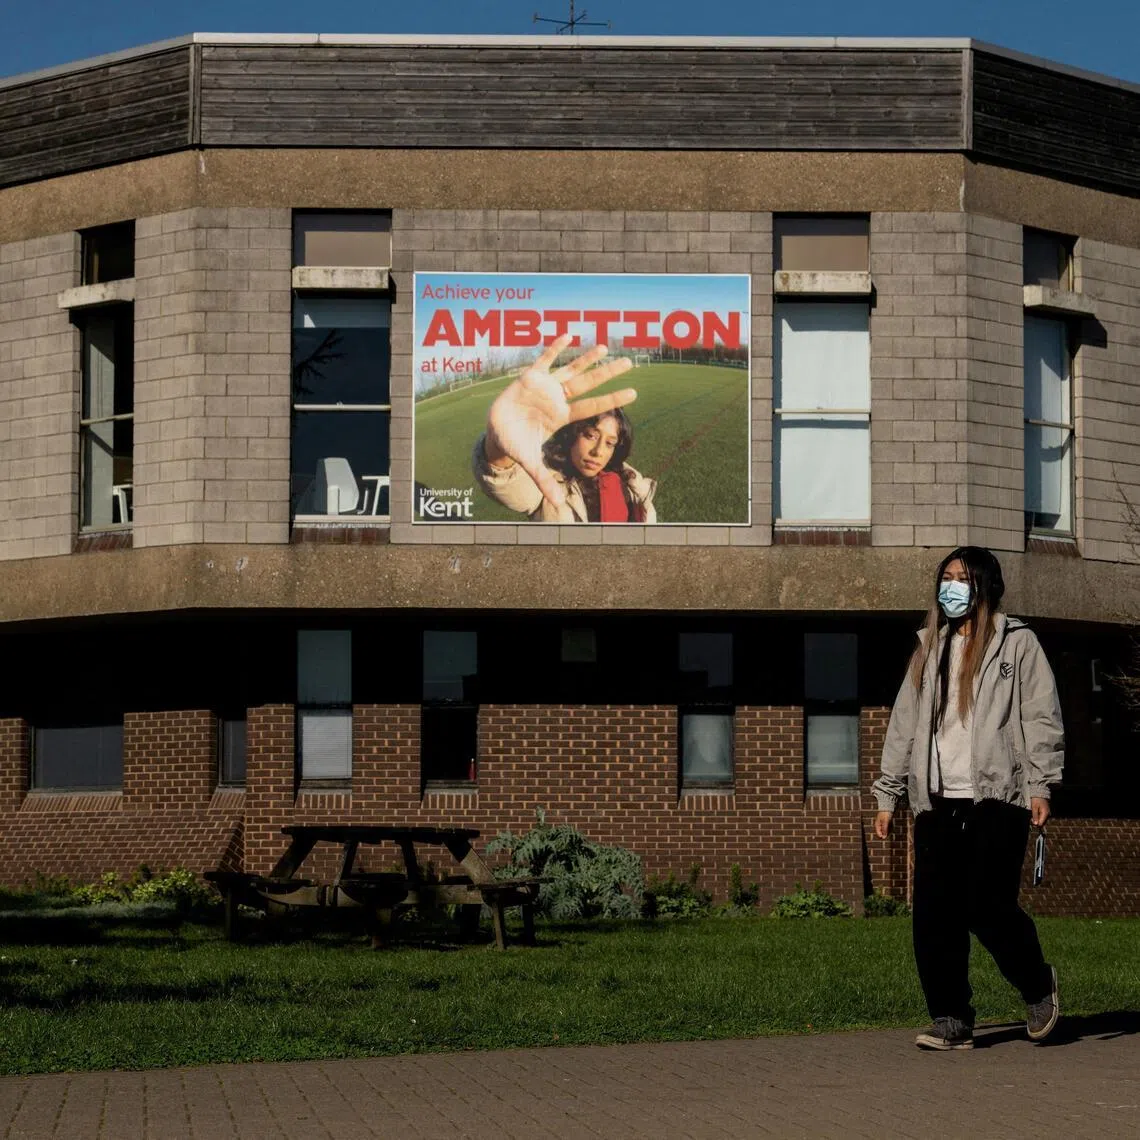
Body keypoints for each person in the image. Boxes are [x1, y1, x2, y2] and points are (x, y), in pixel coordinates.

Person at [872, 546, 1064, 1050]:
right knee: (933, 914)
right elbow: (904, 724)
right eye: (946, 577)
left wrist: (1041, 783)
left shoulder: (1018, 643)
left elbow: (1041, 717)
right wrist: (888, 794)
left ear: (985, 586)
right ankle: (951, 1018)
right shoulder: (929, 647)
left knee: (987, 904)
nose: (951, 586)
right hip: (936, 801)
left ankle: (1037, 984)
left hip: (999, 796)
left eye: (962, 578)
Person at [472, 333, 657, 523]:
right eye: (591, 436)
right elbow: (510, 486)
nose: (598, 452)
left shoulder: (632, 482)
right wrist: (497, 447)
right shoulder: (546, 483)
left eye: (610, 443)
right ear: (573, 435)